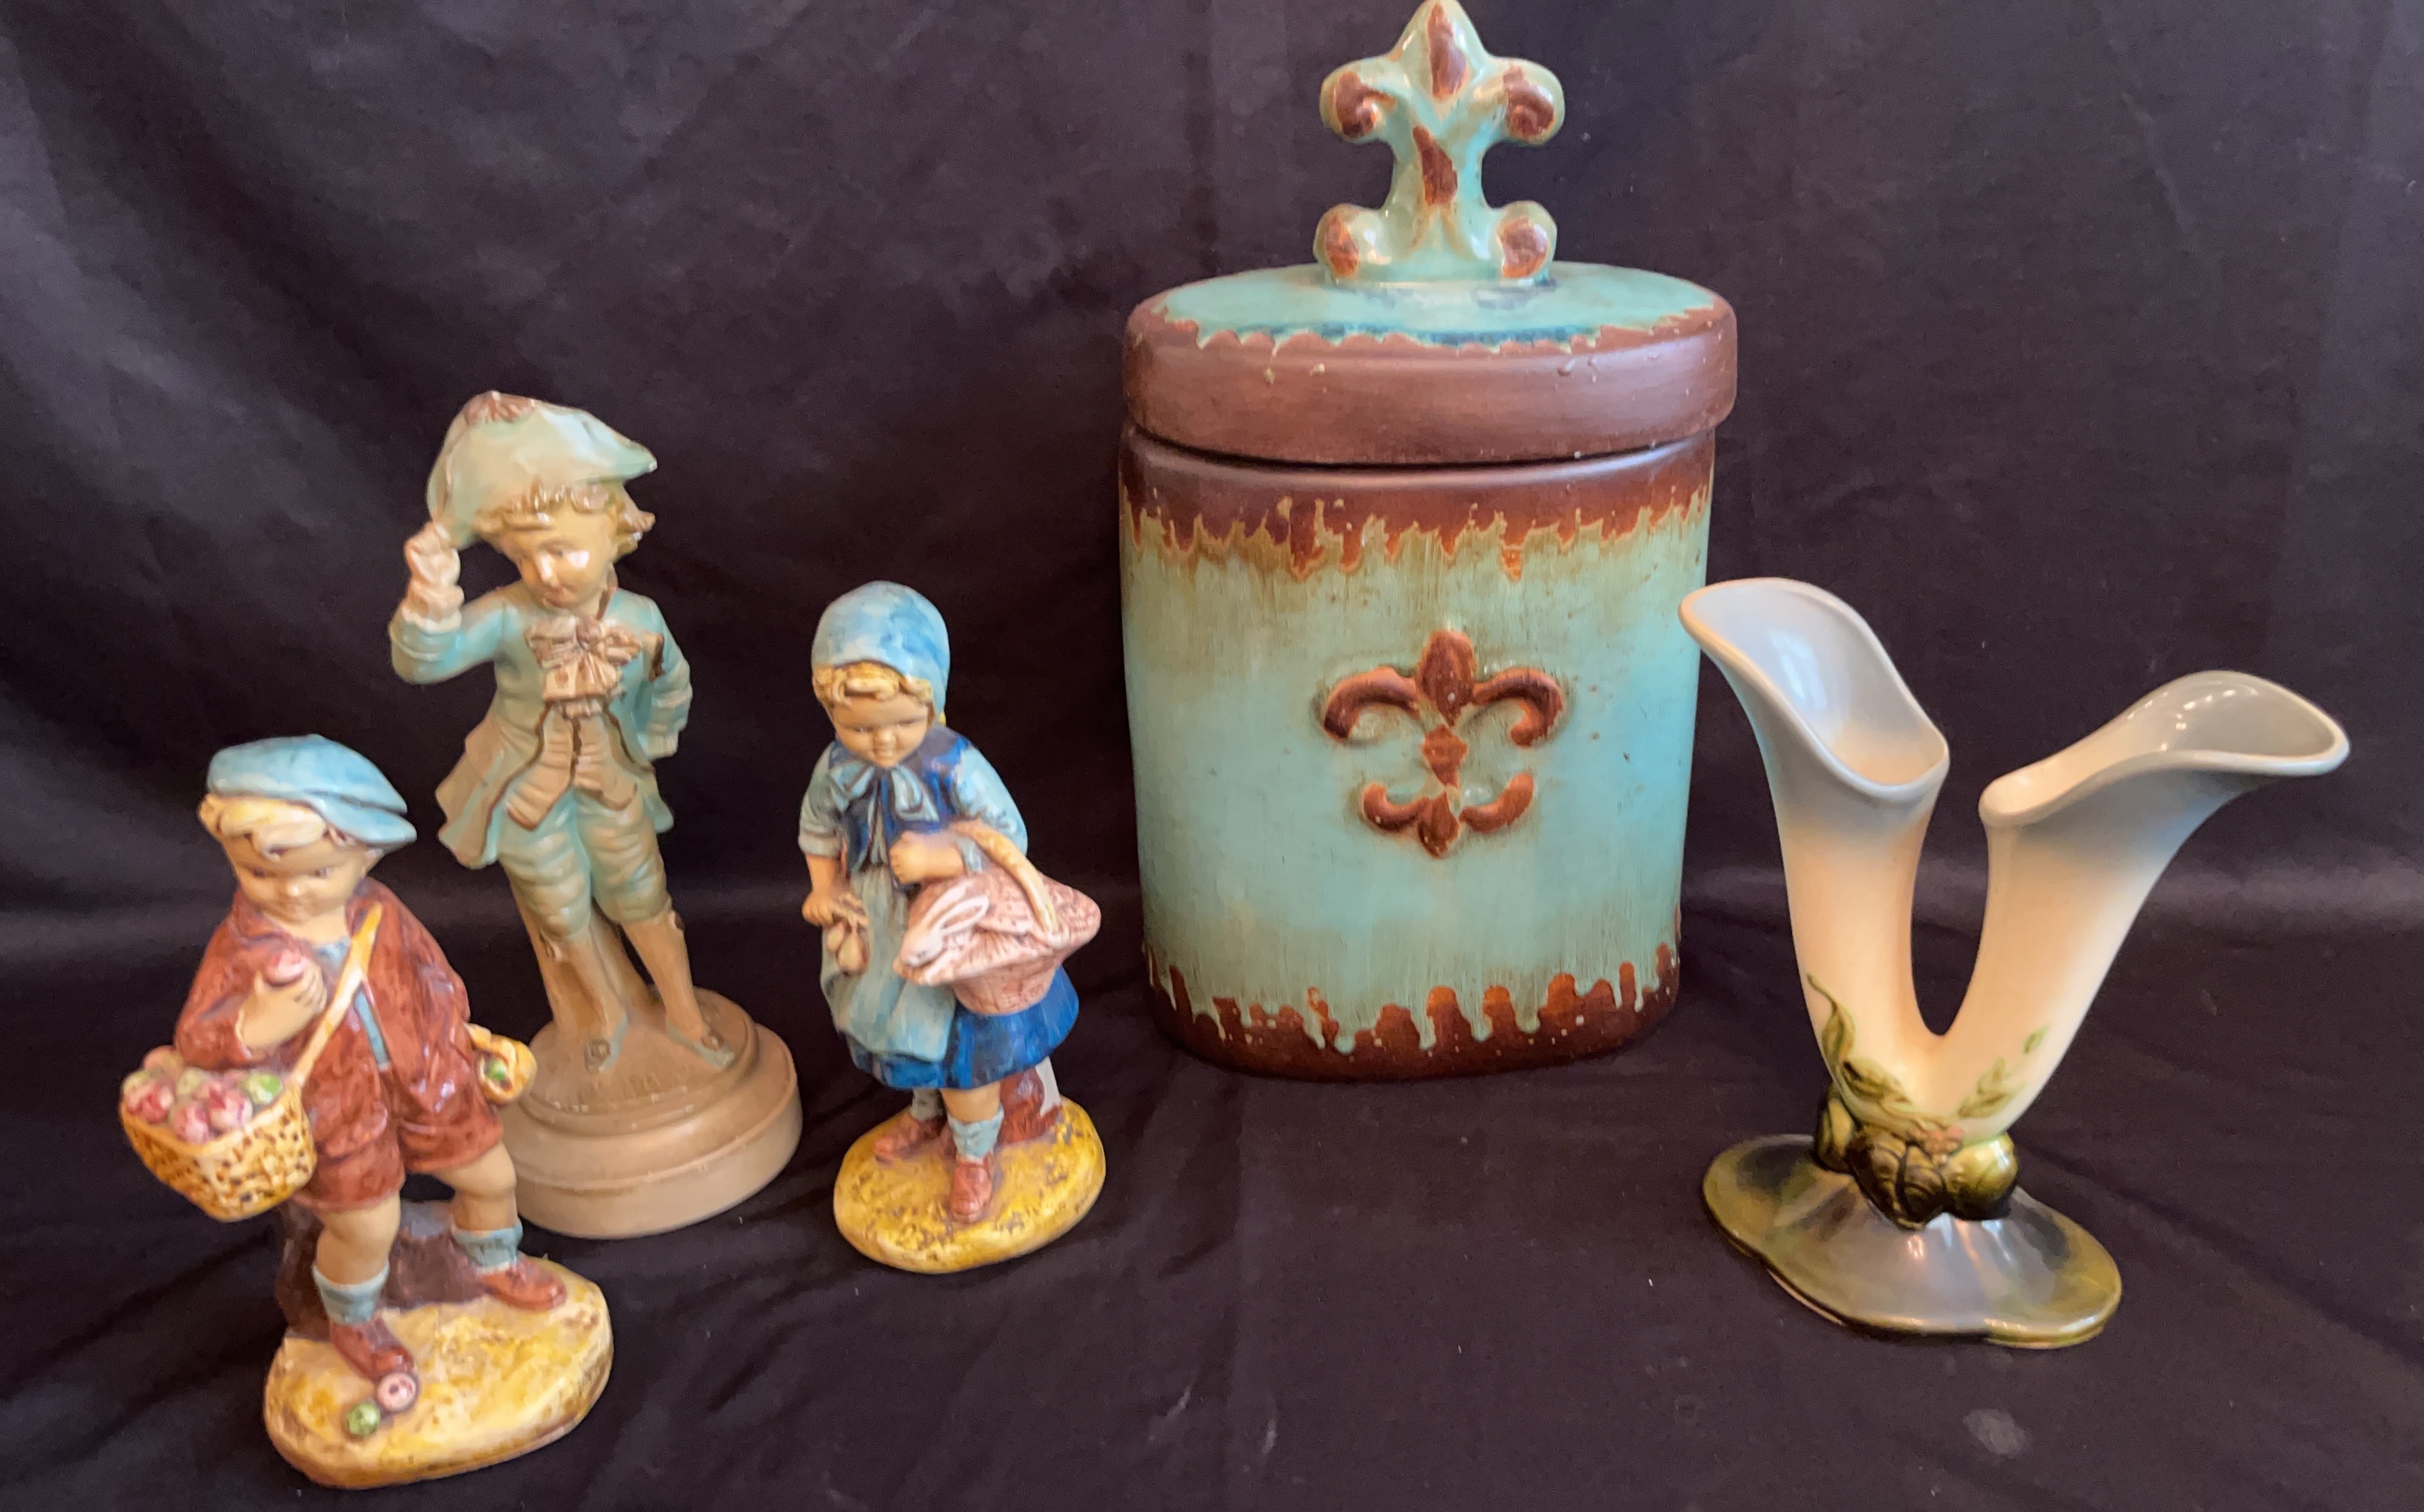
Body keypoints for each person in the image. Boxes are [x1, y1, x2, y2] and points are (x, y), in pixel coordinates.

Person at [177, 735, 562, 1388]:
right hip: (335, 1111)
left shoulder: (380, 913)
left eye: (319, 873)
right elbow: (198, 1038)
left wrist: (456, 1037)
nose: (292, 892)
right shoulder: (244, 946)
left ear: (365, 855)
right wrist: (257, 1025)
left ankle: (495, 1261)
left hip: (427, 1081)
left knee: (492, 1175)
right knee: (366, 1225)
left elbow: (433, 975)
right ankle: (353, 1319)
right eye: (262, 874)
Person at [390, 392, 728, 1071]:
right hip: (524, 791)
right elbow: (424, 662)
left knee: (641, 895)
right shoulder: (507, 616)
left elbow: (673, 684)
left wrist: (649, 740)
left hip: (610, 785)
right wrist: (430, 596)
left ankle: (683, 1010)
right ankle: (603, 1012)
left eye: (562, 551)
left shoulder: (641, 618)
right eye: (524, 558)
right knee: (560, 909)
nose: (543, 574)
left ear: (615, 531)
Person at [799, 583, 1076, 1220]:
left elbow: (1009, 839)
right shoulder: (835, 769)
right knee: (896, 1036)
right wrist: (824, 887)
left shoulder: (954, 764)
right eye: (859, 728)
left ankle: (975, 1155)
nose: (882, 743)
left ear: (934, 701)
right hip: (880, 924)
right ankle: (926, 1114)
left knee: (961, 1054)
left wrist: (941, 858)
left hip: (951, 930)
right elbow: (816, 828)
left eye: (902, 724)